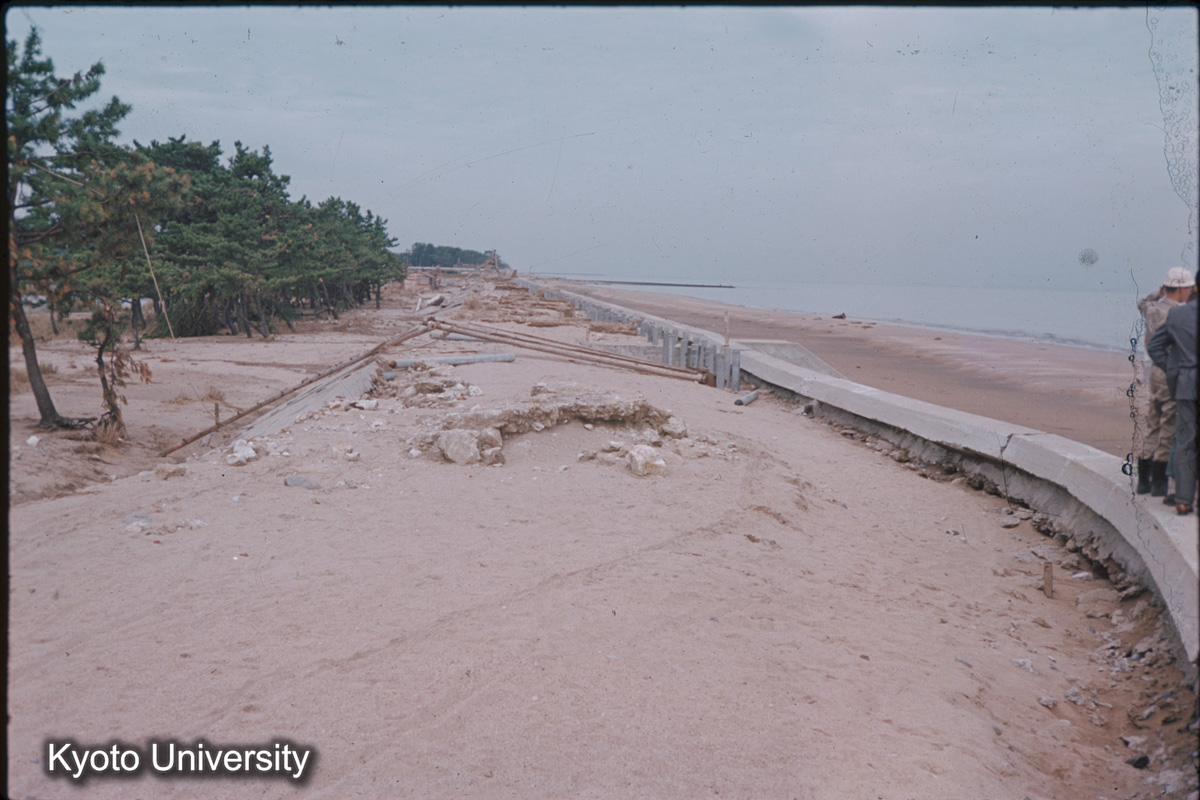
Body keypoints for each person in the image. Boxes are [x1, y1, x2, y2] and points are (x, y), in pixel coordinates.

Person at [1136, 268, 1194, 495]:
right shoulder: (1176, 314)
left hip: (1152, 368)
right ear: (1180, 288)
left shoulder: (1151, 308)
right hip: (1169, 369)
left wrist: (1156, 293)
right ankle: (1158, 481)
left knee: (1153, 421)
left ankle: (1143, 479)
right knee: (1168, 423)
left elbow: (1141, 301)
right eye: (1187, 288)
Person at [1147, 269, 1198, 515]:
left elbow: (1155, 346)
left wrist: (1173, 369)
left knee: (1186, 441)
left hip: (1187, 384)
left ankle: (1183, 499)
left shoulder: (1178, 315)